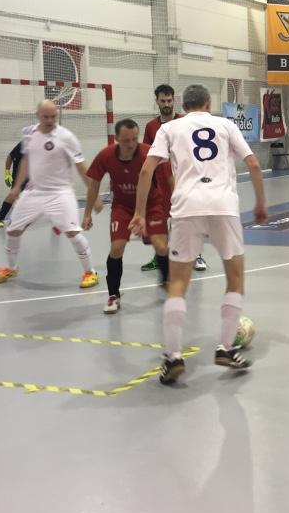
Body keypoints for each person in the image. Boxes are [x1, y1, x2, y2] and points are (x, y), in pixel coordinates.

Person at [131, 84, 268, 385]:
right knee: (235, 279)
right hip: (223, 206)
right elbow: (254, 164)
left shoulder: (169, 128)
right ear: (207, 103)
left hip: (186, 208)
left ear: (183, 105)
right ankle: (225, 349)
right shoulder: (225, 125)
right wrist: (260, 204)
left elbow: (146, 171)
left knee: (178, 283)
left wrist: (139, 213)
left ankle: (173, 357)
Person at [0, 100, 100, 288]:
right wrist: (17, 187)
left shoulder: (67, 137)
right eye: (46, 117)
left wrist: (94, 195)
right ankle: (11, 268)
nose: (50, 120)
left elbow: (82, 167)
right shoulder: (29, 133)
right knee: (12, 230)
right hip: (34, 191)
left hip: (60, 193)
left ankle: (90, 272)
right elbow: (26, 160)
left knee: (73, 232)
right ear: (37, 115)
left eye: (53, 116)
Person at [82, 118, 171, 315]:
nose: (131, 144)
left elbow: (169, 174)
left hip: (151, 205)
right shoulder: (106, 156)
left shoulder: (149, 152)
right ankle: (113, 295)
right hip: (122, 207)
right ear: (116, 139)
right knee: (116, 248)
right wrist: (87, 213)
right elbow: (94, 183)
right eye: (126, 140)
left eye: (134, 139)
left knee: (161, 246)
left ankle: (166, 280)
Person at [142, 84, 208, 272]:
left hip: (184, 180)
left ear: (174, 101)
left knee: (189, 219)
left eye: (169, 100)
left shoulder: (185, 122)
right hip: (160, 183)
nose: (166, 104)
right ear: (157, 101)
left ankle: (197, 256)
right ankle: (160, 257)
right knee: (161, 222)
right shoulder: (151, 127)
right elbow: (146, 155)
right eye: (163, 101)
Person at [0, 140, 26, 227]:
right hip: (19, 175)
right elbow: (10, 156)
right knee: (13, 195)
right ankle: (0, 218)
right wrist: (7, 173)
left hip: (32, 174)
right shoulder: (24, 143)